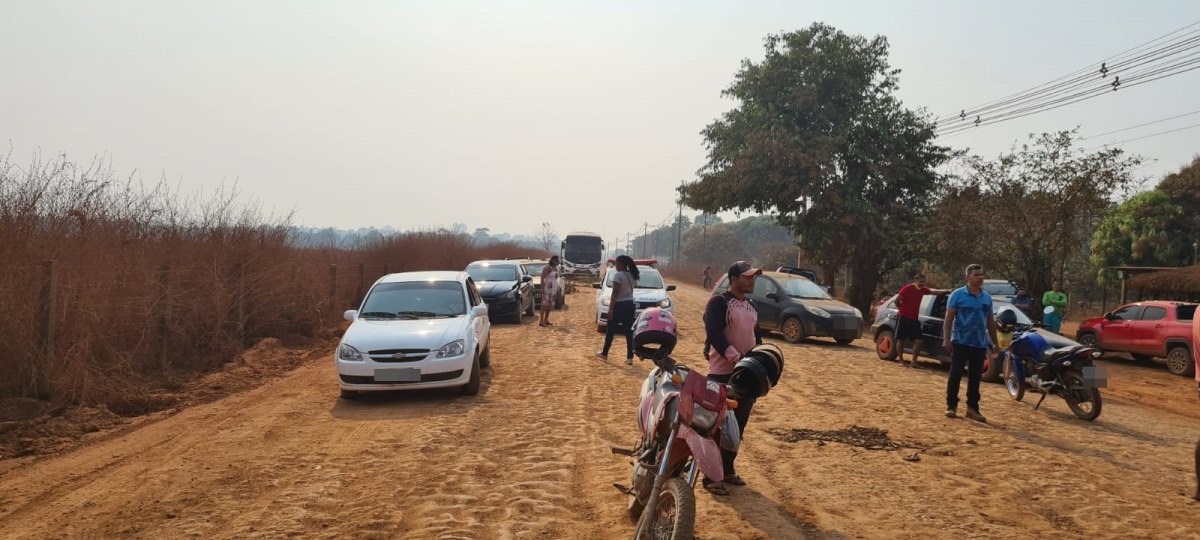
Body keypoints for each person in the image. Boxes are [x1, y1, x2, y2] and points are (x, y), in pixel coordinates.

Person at [701, 260, 763, 496]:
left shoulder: (752, 307)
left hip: (746, 376)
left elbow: (757, 339)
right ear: (734, 278)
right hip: (722, 374)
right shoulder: (719, 302)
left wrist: (759, 362)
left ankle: (727, 470)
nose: (751, 281)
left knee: (738, 425)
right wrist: (735, 357)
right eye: (747, 277)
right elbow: (714, 332)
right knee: (717, 426)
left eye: (753, 277)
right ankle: (711, 477)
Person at [943, 264, 1000, 423]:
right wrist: (946, 339)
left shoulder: (986, 297)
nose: (980, 278)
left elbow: (990, 321)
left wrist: (994, 342)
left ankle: (972, 409)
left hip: (979, 343)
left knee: (975, 377)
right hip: (960, 341)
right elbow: (949, 318)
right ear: (967, 277)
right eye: (976, 275)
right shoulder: (957, 295)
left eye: (982, 275)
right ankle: (951, 406)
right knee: (955, 375)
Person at [894, 274, 951, 368]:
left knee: (919, 340)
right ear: (915, 280)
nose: (922, 283)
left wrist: (949, 291)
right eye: (921, 281)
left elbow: (935, 292)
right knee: (901, 339)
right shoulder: (907, 288)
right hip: (903, 317)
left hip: (914, 319)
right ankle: (901, 360)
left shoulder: (923, 290)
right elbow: (897, 301)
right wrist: (902, 309)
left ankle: (913, 361)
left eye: (924, 282)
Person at [597, 255, 639, 365]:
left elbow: (615, 293)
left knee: (610, 330)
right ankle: (630, 357)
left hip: (619, 305)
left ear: (621, 264)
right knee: (628, 332)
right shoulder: (632, 275)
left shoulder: (618, 275)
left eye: (617, 263)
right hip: (630, 305)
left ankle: (605, 353)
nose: (616, 265)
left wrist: (610, 309)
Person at [538, 255, 560, 327]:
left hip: (553, 290)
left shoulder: (556, 268)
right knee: (544, 305)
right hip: (547, 289)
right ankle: (541, 321)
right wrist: (542, 288)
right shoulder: (547, 268)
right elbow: (542, 278)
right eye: (557, 261)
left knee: (549, 306)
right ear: (553, 261)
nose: (558, 262)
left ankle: (546, 320)